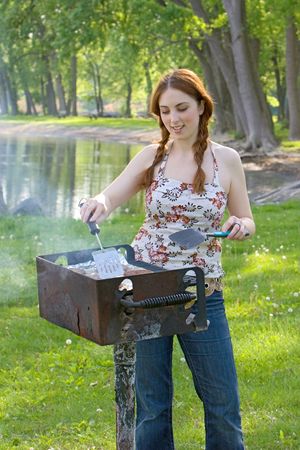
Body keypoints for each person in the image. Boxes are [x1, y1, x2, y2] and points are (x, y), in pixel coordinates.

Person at [80, 68, 255, 450]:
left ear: (201, 108)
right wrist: (98, 203)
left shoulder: (226, 160)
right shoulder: (151, 157)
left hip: (201, 291)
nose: (174, 119)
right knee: (153, 407)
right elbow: (111, 196)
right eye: (164, 111)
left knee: (222, 403)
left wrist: (241, 225)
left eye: (182, 108)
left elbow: (245, 217)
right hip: (146, 291)